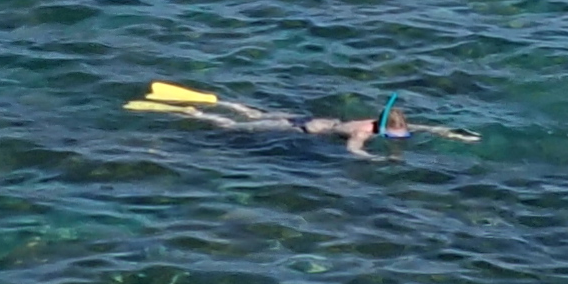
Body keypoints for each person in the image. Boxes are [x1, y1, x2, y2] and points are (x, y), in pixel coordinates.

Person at [134, 87, 474, 159]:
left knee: (253, 112)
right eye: (397, 134)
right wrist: (377, 160)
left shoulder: (381, 121)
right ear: (386, 127)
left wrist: (453, 135)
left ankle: (221, 99)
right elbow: (355, 150)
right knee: (231, 128)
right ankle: (196, 112)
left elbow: (427, 128)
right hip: (296, 128)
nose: (401, 136)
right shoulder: (362, 132)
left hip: (309, 120)